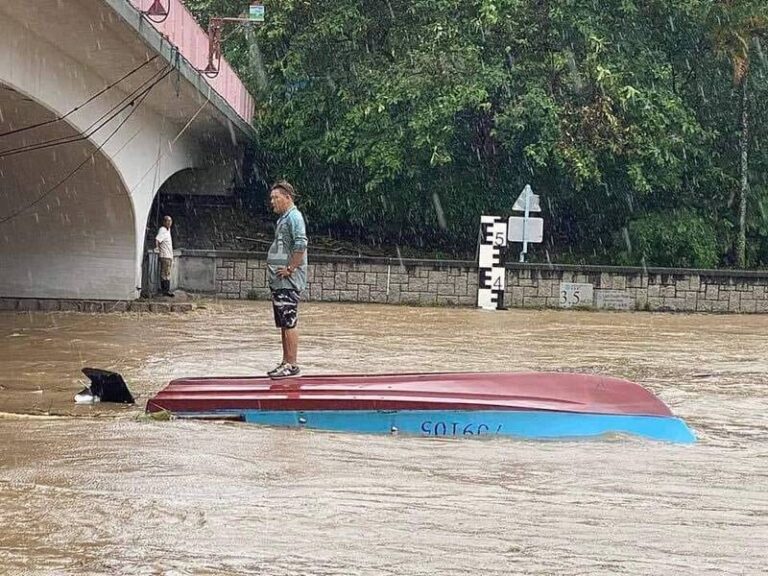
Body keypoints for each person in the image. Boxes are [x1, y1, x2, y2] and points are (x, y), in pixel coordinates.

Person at [266, 181, 308, 378]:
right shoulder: (284, 218)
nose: (272, 201)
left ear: (287, 198)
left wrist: (290, 268)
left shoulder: (294, 217)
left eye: (276, 198)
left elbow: (301, 244)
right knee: (284, 321)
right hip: (279, 281)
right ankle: (285, 361)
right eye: (271, 198)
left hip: (288, 280)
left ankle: (292, 364)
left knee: (289, 321)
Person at [155, 215, 174, 297]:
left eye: (170, 221)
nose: (169, 223)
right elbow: (157, 240)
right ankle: (165, 290)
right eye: (168, 221)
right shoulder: (162, 230)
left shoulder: (168, 230)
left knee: (167, 273)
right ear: (164, 222)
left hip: (169, 255)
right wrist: (157, 248)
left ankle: (166, 289)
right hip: (165, 255)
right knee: (165, 273)